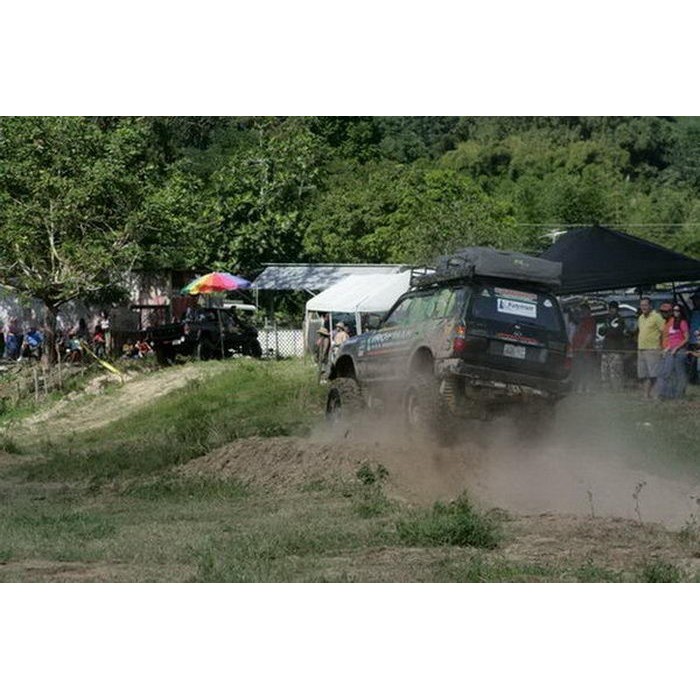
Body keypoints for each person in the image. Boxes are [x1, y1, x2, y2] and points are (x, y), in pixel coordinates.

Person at [658, 304, 690, 400]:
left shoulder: (683, 322)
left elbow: (686, 338)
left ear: (681, 312)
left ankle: (680, 394)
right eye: (674, 310)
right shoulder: (673, 323)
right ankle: (670, 394)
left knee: (680, 373)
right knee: (669, 373)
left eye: (677, 310)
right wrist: (667, 348)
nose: (675, 312)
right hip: (671, 351)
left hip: (680, 351)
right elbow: (672, 339)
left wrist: (676, 348)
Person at [636, 297, 665, 399]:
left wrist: (662, 347)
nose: (643, 307)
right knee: (643, 375)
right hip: (641, 349)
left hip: (653, 349)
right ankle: (646, 395)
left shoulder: (657, 316)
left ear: (650, 306)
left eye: (645, 305)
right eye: (641, 305)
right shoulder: (640, 318)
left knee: (654, 374)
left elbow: (664, 332)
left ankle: (656, 395)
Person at [599, 301, 627, 392]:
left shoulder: (620, 319)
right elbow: (601, 332)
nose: (611, 310)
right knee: (605, 373)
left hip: (616, 350)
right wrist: (607, 329)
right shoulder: (607, 319)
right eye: (610, 308)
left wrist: (607, 329)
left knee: (616, 374)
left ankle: (617, 391)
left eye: (613, 308)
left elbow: (616, 332)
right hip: (606, 349)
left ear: (617, 309)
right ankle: (606, 392)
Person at [570, 303, 596, 393]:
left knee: (585, 370)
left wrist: (583, 347)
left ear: (588, 311)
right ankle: (578, 388)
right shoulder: (580, 321)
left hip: (585, 351)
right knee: (578, 369)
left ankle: (586, 389)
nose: (582, 312)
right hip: (577, 350)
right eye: (581, 310)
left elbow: (590, 335)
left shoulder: (590, 320)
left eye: (583, 310)